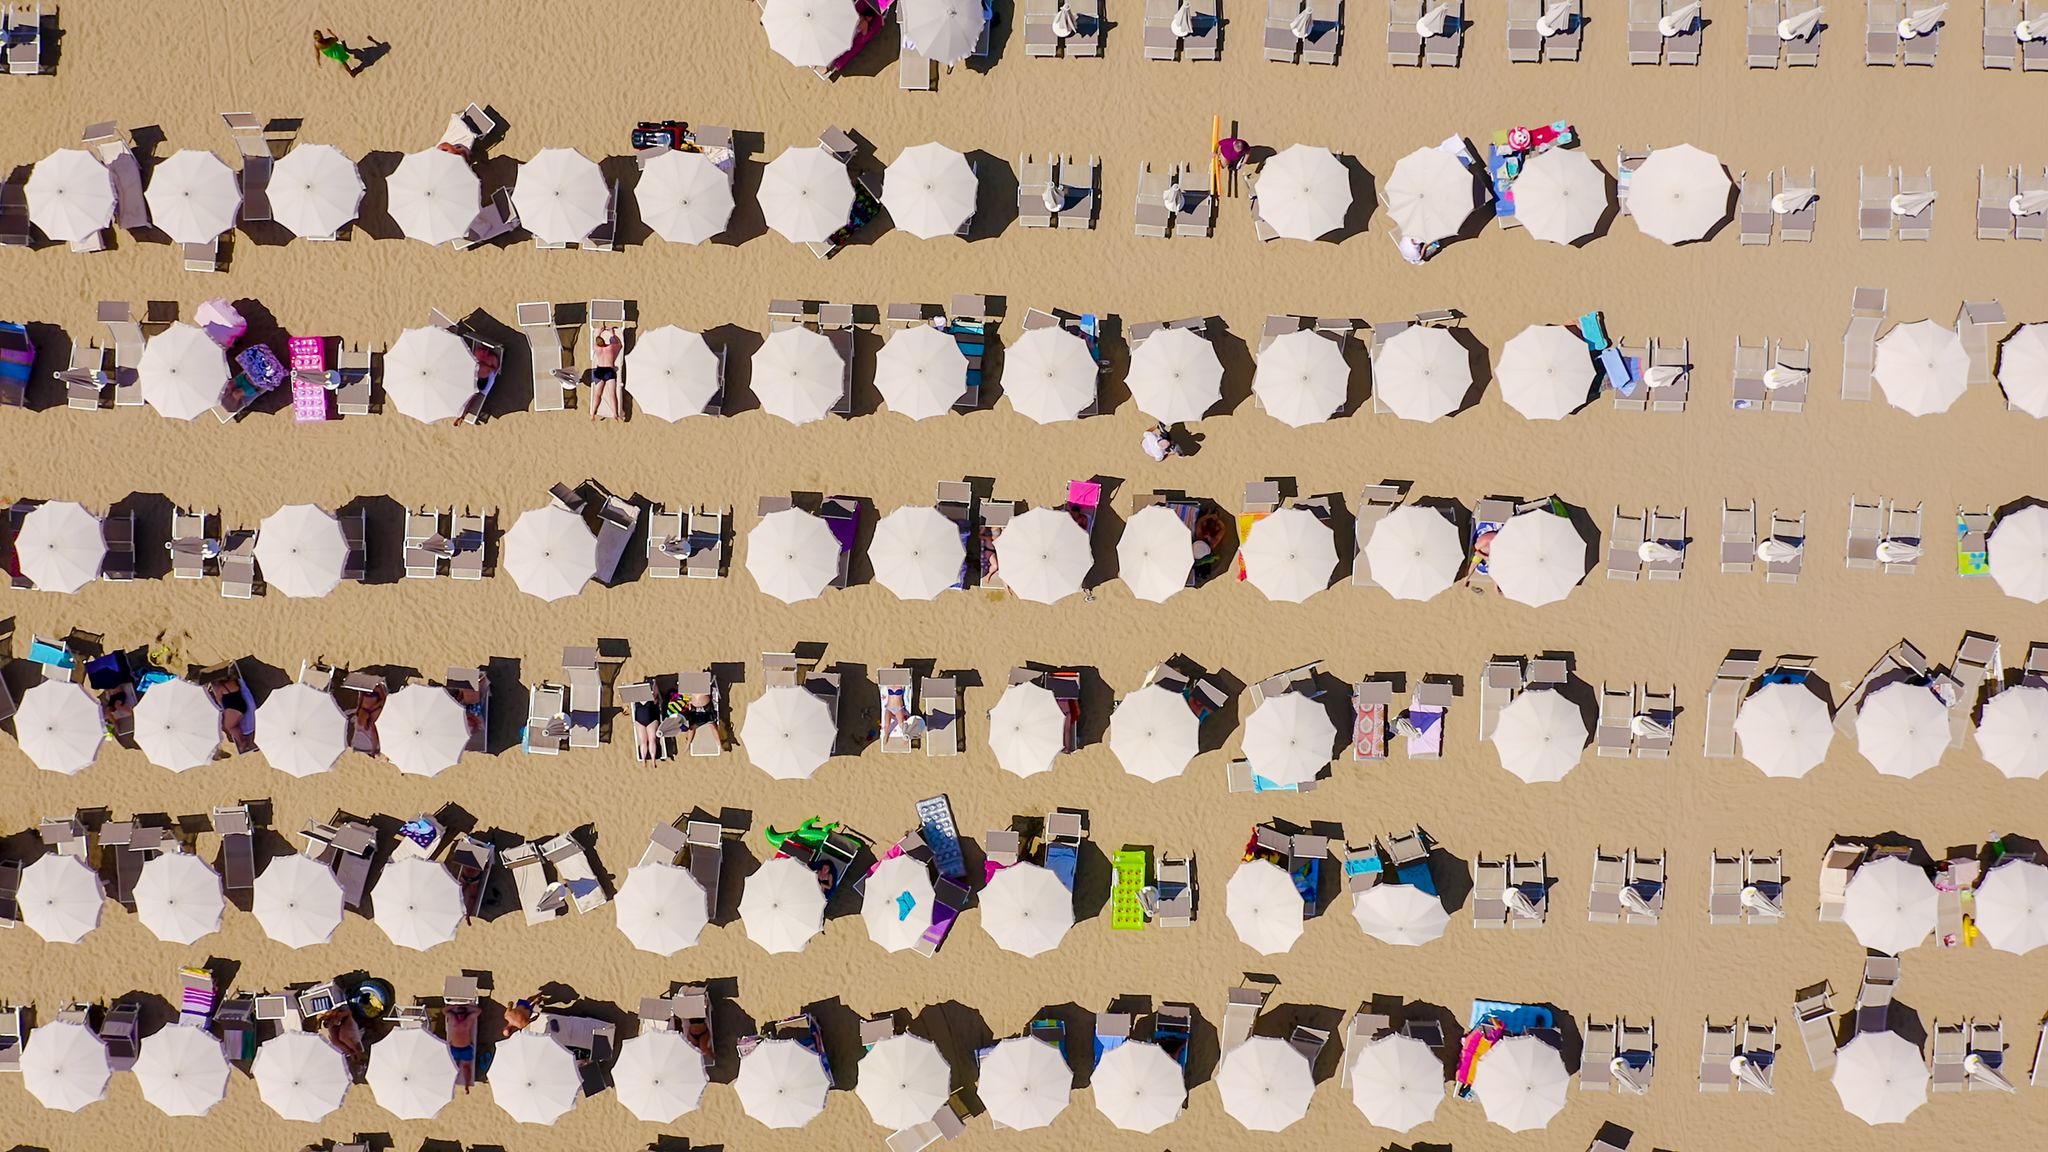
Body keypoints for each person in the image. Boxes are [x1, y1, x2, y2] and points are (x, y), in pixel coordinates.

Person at [590, 326, 623, 420]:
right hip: (609, 371)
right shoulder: (611, 348)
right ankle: (615, 414)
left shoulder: (596, 348)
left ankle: (593, 413)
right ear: (604, 342)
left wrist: (598, 333)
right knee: (612, 393)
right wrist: (613, 333)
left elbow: (596, 338)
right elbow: (619, 344)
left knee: (597, 394)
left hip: (599, 371)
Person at [633, 691, 665, 761]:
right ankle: (645, 759)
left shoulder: (657, 739)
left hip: (651, 713)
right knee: (643, 741)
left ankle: (652, 758)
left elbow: (653, 742)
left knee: (651, 740)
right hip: (640, 717)